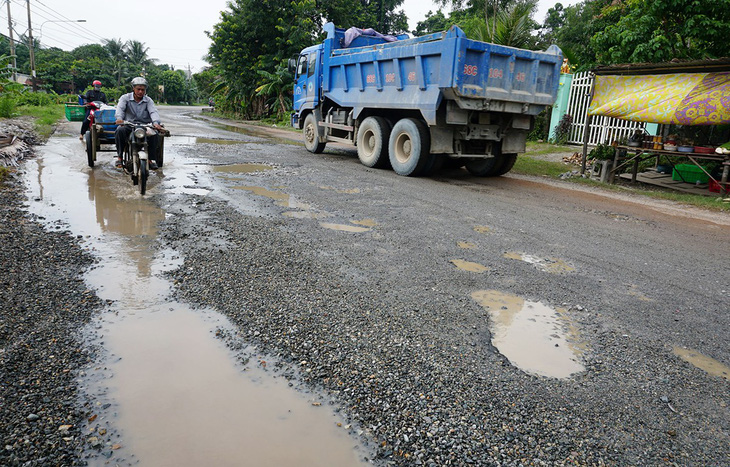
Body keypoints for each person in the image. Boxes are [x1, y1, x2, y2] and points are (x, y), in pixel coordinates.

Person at [114, 76, 164, 170]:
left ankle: (150, 159)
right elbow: (120, 109)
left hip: (144, 126)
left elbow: (153, 112)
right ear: (133, 88)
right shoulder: (125, 98)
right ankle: (119, 157)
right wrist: (120, 119)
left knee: (155, 134)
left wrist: (156, 122)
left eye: (143, 89)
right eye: (138, 89)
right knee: (119, 131)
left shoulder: (148, 100)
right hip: (129, 125)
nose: (140, 92)